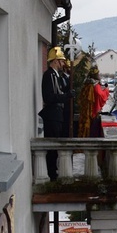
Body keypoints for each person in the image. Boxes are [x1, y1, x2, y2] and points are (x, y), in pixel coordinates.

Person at [39, 46, 73, 181]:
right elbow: (49, 97)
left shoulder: (57, 75)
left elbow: (61, 90)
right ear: (55, 61)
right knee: (52, 148)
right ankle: (52, 174)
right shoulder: (49, 75)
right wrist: (66, 96)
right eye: (61, 61)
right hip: (52, 115)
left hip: (57, 115)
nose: (63, 64)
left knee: (56, 146)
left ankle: (54, 171)